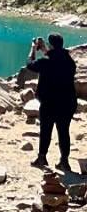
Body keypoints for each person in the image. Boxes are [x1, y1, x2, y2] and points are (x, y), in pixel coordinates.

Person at [30, 34, 78, 172]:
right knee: (63, 131)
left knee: (46, 130)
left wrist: (33, 49)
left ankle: (42, 158)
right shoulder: (70, 62)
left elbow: (30, 64)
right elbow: (57, 57)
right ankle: (64, 161)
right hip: (67, 102)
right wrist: (46, 49)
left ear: (51, 45)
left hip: (49, 102)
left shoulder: (45, 62)